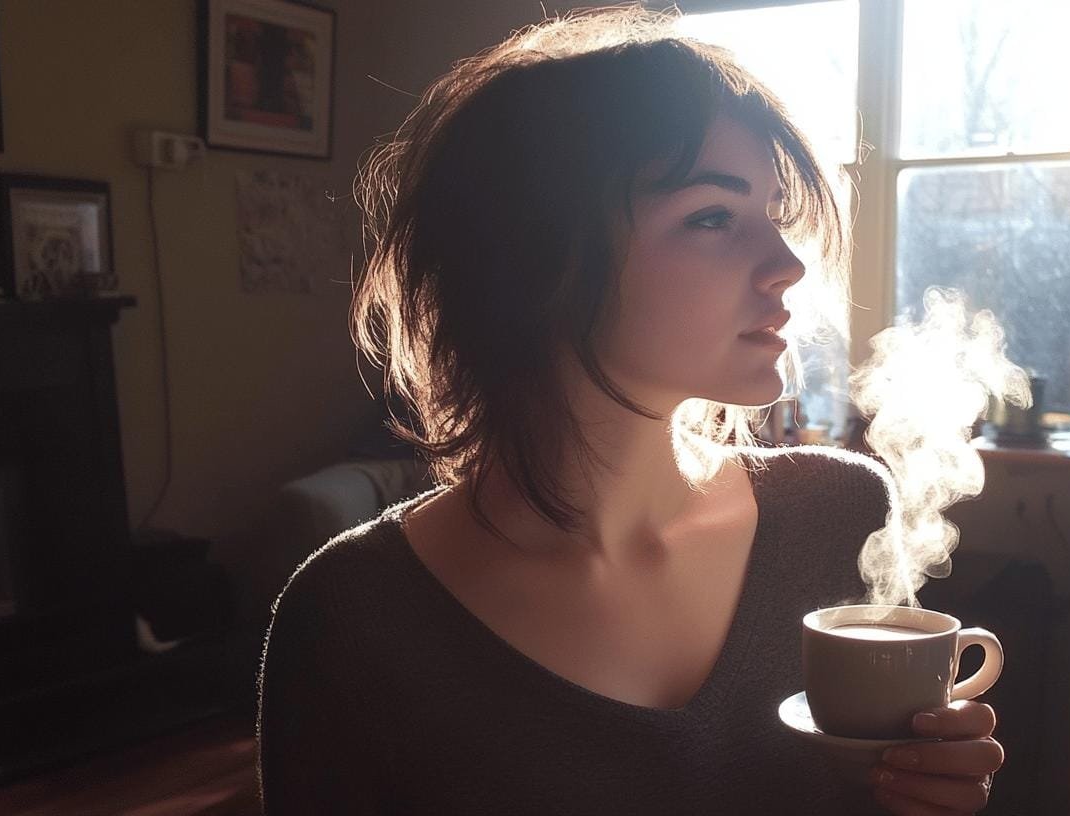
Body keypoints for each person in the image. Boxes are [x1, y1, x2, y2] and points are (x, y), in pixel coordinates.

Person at [256, 6, 1002, 814]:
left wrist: (925, 793)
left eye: (775, 217)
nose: (788, 265)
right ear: (538, 261)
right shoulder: (353, 618)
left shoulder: (838, 512)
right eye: (712, 216)